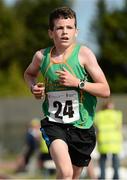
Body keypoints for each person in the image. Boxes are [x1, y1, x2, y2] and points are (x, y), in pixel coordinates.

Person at [24, 6, 110, 179]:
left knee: (71, 176)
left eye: (69, 28)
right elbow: (29, 74)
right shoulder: (41, 57)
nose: (65, 32)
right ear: (51, 32)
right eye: (60, 28)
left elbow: (105, 90)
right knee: (65, 172)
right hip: (54, 123)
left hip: (82, 127)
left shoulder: (84, 54)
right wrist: (33, 87)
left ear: (76, 32)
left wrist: (77, 83)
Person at [94, 100, 123, 179]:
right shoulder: (117, 114)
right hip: (114, 140)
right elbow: (119, 127)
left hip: (103, 140)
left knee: (102, 160)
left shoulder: (99, 115)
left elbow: (96, 127)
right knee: (115, 159)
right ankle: (116, 176)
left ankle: (102, 177)